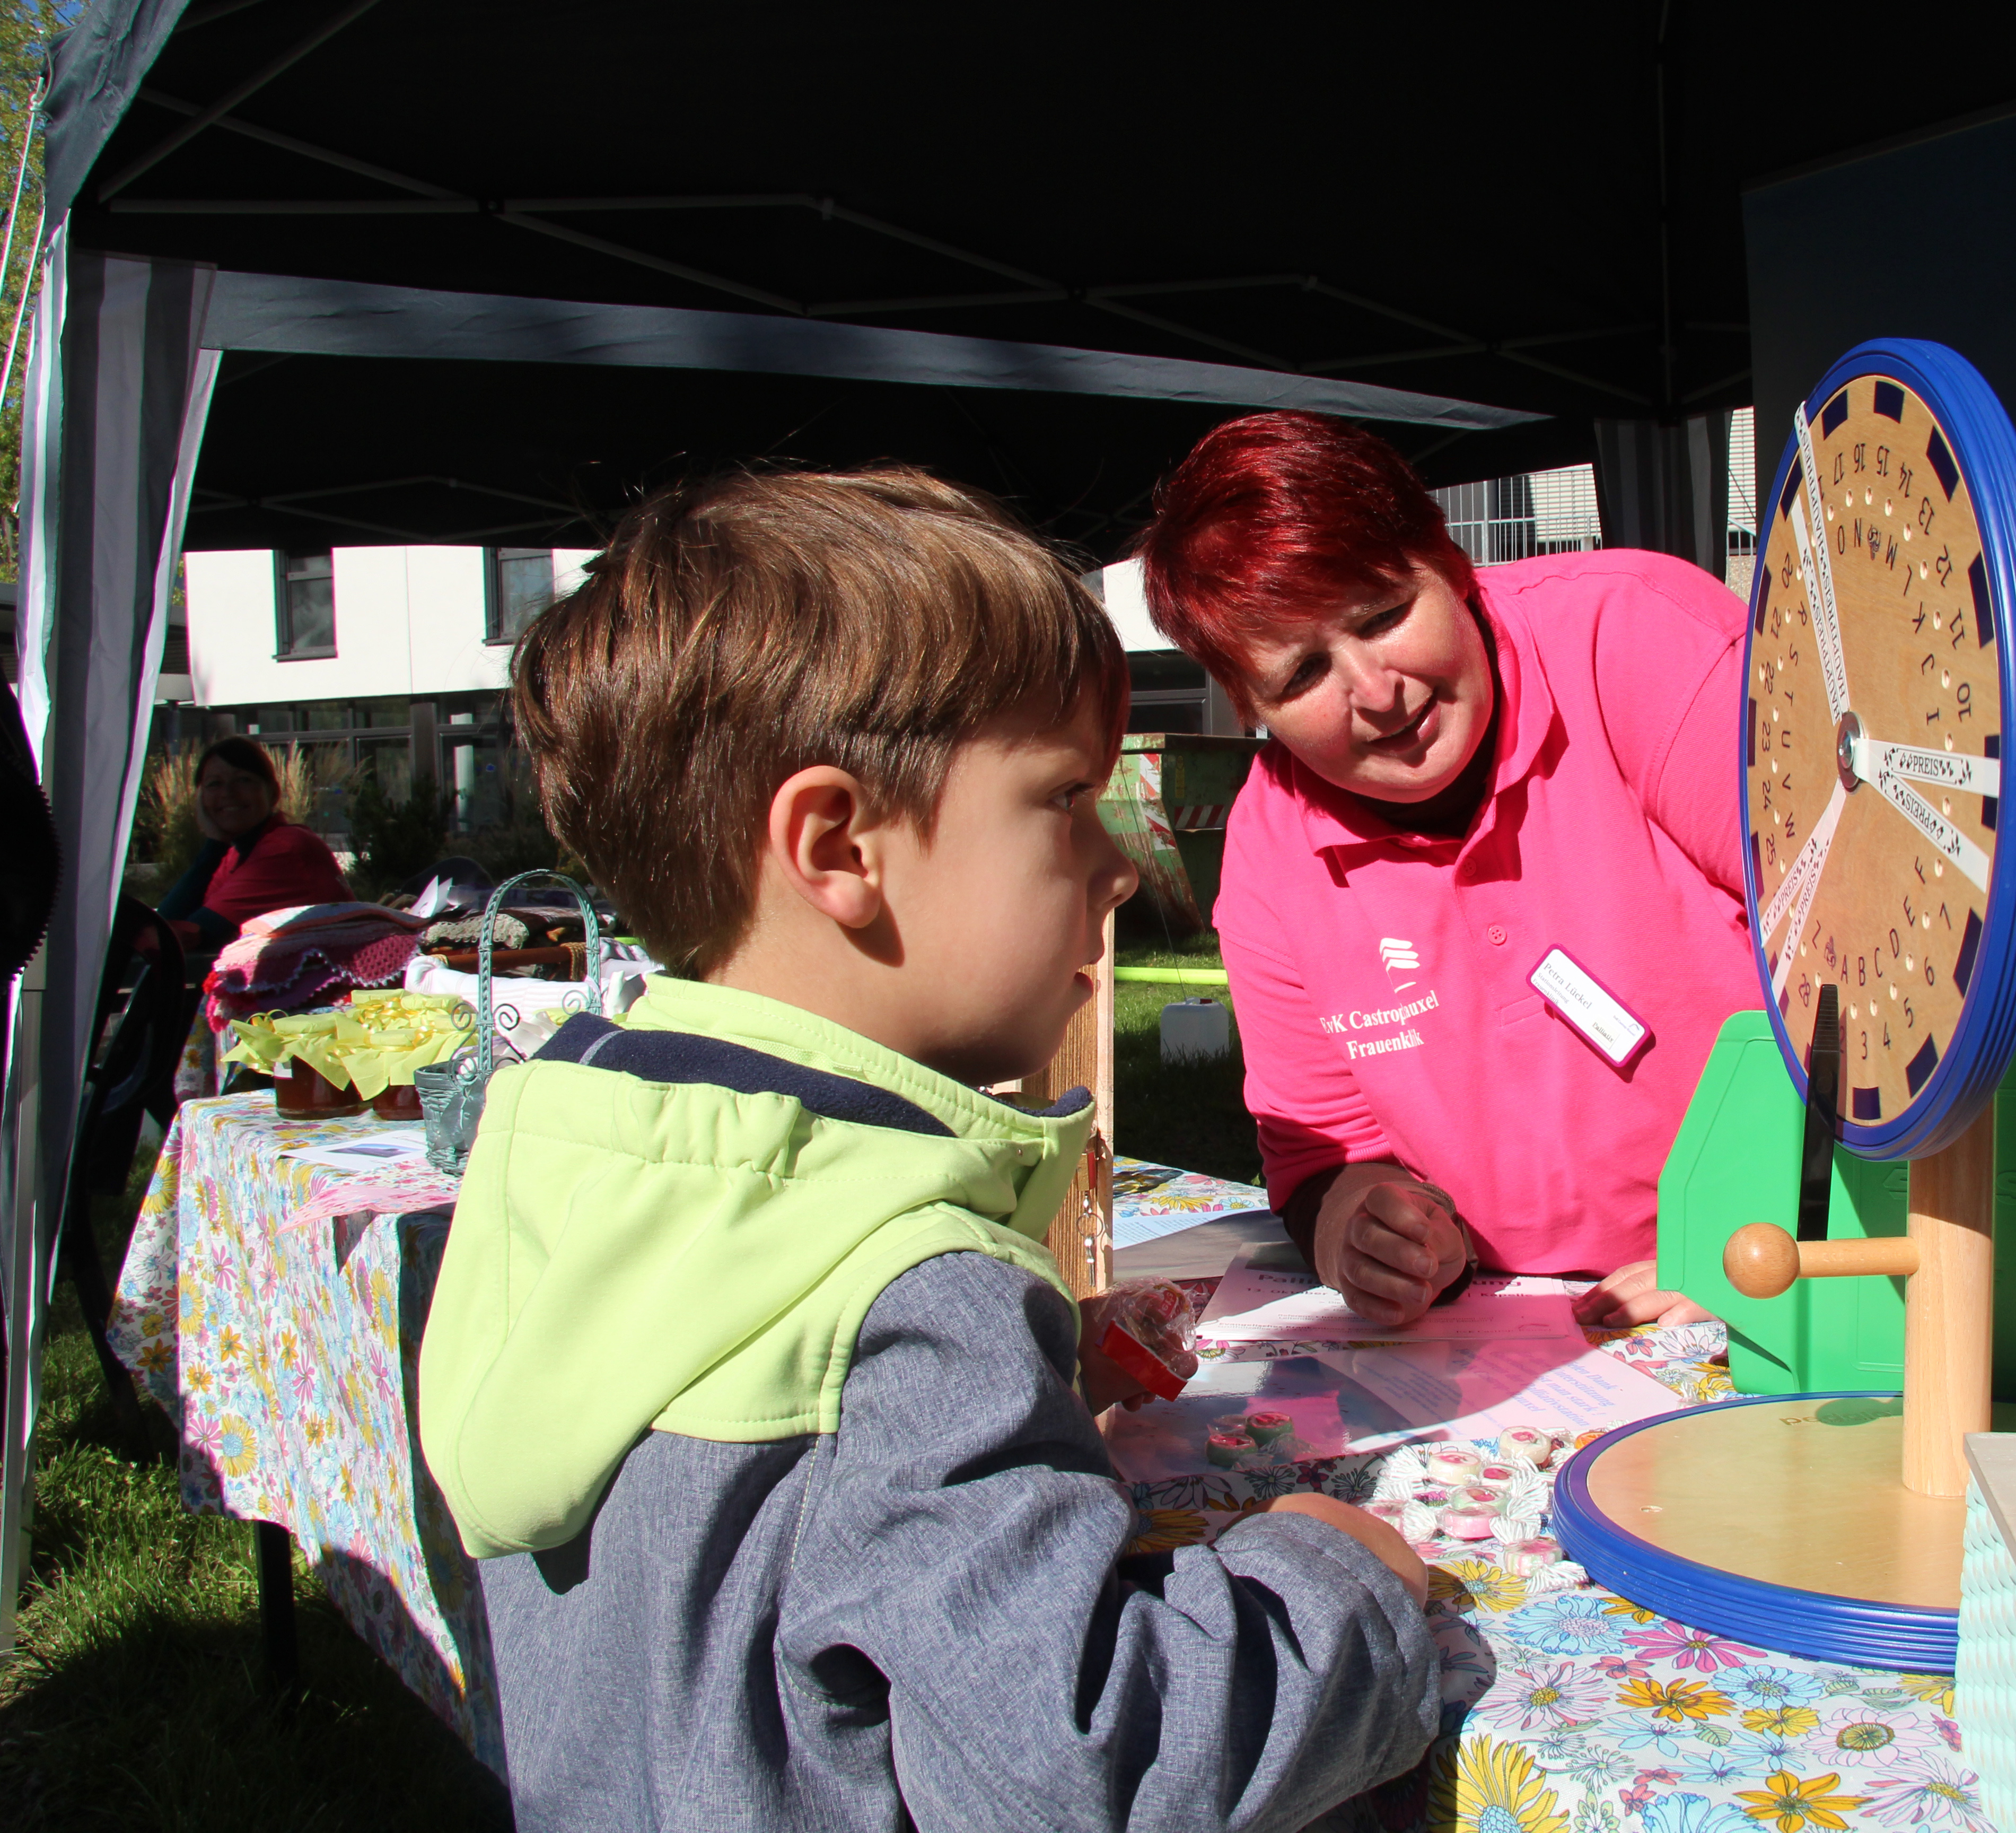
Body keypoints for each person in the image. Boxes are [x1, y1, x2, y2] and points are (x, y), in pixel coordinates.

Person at [418, 467, 1436, 1833]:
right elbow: (1094, 1765)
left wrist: (1025, 1373)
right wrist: (1337, 1574)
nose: (1118, 865)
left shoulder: (580, 1152)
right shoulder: (915, 1296)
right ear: (838, 842)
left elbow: (762, 1488)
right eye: (1063, 799)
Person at [1135, 413, 1760, 1332]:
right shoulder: (1272, 848)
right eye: (1303, 673)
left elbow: (1875, 964)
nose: (1378, 694)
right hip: (1516, 1329)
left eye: (1384, 615)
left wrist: (1757, 1244)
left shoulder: (1633, 637)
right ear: (1246, 705)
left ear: (1448, 559)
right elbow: (1323, 1153)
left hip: (1794, 1259)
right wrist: (1363, 1230)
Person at [155, 737, 351, 947]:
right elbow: (163, 927)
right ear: (200, 799)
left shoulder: (284, 848)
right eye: (215, 784)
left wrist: (214, 845)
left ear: (273, 793)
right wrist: (216, 843)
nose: (228, 793)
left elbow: (179, 938)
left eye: (244, 780)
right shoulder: (237, 854)